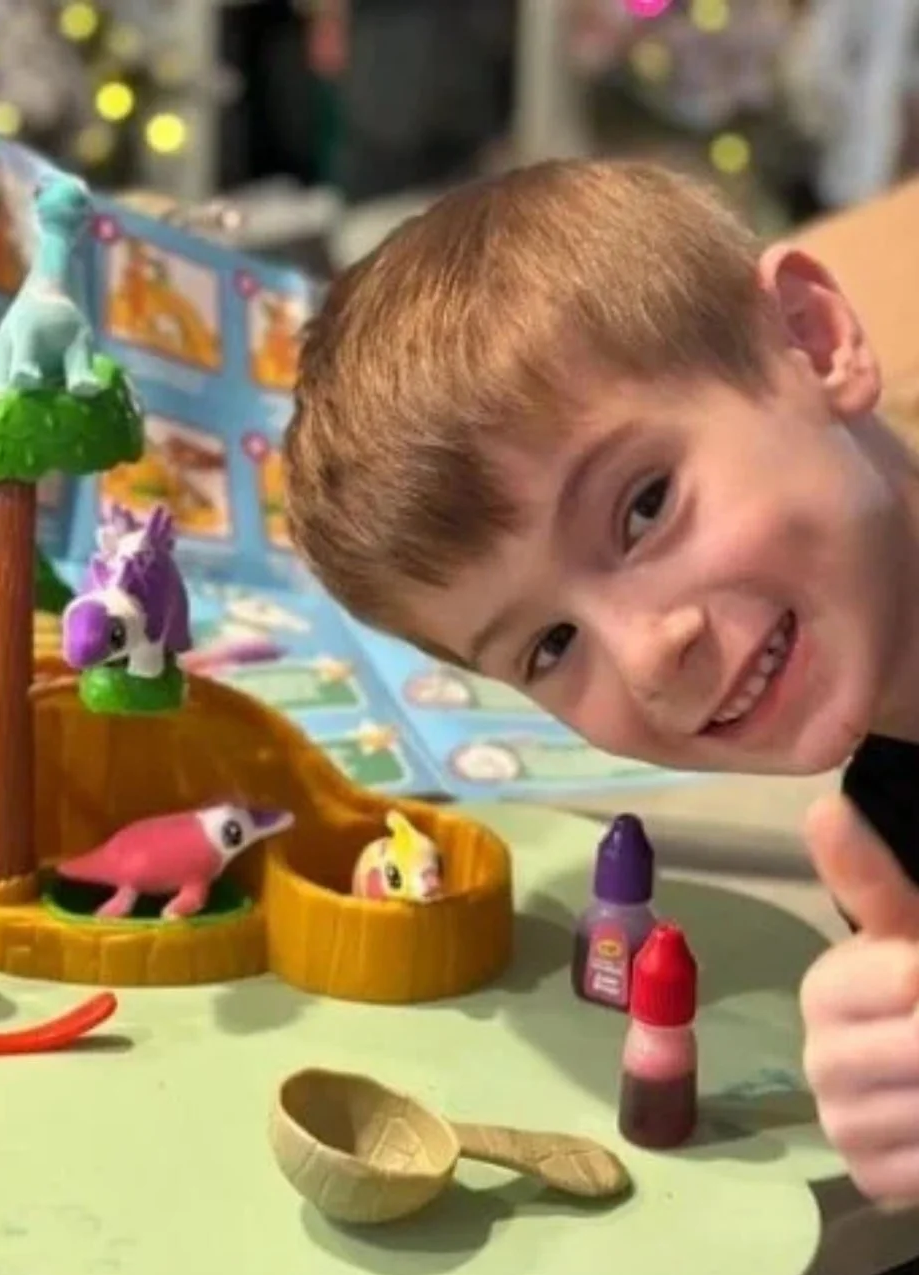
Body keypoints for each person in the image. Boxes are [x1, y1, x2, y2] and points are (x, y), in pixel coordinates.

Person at [283, 158, 919, 1207]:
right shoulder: (886, 827)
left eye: (643, 506)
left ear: (814, 338)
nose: (643, 653)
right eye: (549, 646)